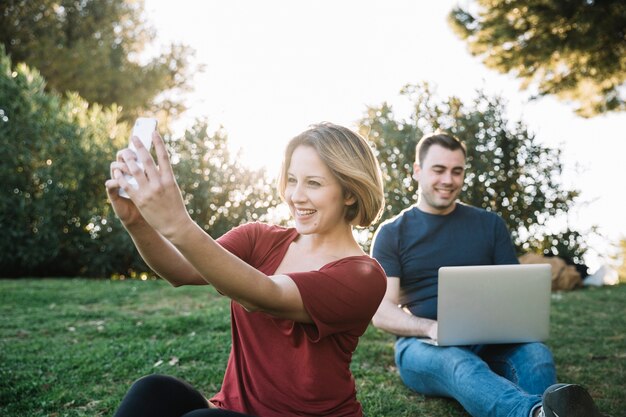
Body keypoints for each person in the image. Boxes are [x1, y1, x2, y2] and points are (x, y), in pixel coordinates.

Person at [105, 122, 387, 417]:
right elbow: (180, 270)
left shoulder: (363, 276)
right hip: (232, 410)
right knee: (153, 390)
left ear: (350, 193)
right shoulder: (259, 238)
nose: (296, 195)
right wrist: (136, 222)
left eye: (313, 183)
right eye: (291, 180)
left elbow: (264, 295)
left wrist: (177, 222)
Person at [370, 131, 608, 417]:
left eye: (457, 171)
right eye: (439, 170)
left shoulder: (489, 224)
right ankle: (537, 412)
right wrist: (431, 328)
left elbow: (514, 291)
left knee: (537, 355)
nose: (448, 180)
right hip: (423, 347)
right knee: (459, 363)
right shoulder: (392, 232)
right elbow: (381, 311)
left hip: (491, 340)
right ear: (417, 171)